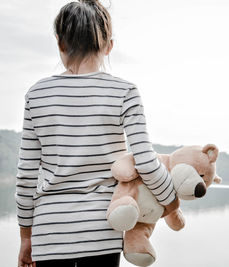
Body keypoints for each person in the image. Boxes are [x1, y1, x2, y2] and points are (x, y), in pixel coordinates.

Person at [15, 1, 180, 266]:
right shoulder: (124, 92)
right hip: (102, 232)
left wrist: (26, 237)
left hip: (49, 233)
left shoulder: (37, 94)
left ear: (60, 43)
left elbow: (26, 176)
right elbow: (146, 162)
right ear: (108, 46)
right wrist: (171, 203)